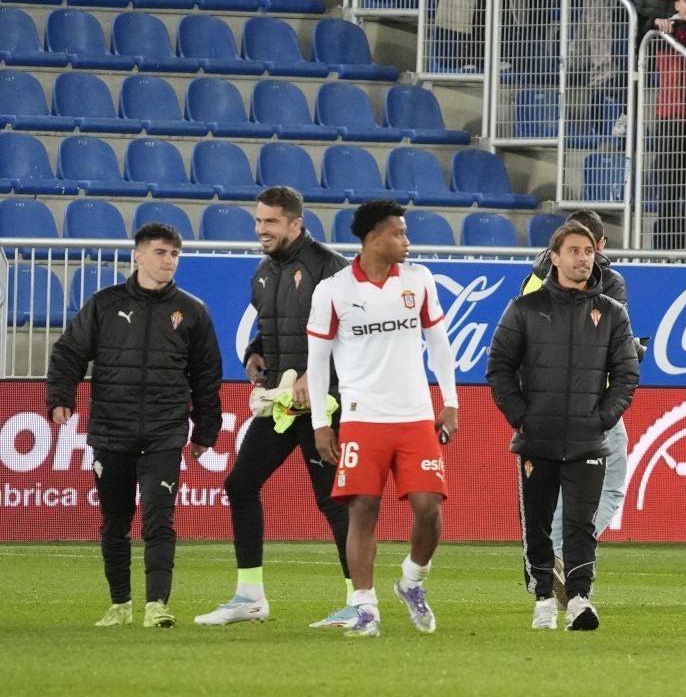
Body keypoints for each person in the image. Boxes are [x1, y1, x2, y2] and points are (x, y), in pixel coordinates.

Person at [47, 222, 223, 629]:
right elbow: (69, 352)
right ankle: (120, 603)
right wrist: (60, 397)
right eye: (161, 253)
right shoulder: (104, 304)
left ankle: (156, 604)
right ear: (138, 256)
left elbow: (206, 375)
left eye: (175, 254)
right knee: (115, 520)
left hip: (165, 431)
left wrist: (206, 431)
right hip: (111, 428)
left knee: (159, 519)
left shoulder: (193, 311)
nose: (169, 261)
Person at [194, 189, 352, 629]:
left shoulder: (331, 268)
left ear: (296, 224)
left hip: (325, 404)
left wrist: (314, 376)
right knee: (240, 484)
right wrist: (254, 353)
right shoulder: (263, 274)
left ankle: (359, 602)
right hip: (283, 405)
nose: (262, 230)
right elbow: (273, 331)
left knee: (335, 501)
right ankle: (249, 596)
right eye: (259, 222)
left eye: (271, 223)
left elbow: (354, 336)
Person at [306, 201, 462, 638]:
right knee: (362, 510)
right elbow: (317, 364)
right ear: (373, 238)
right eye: (399, 234)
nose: (407, 242)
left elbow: (440, 343)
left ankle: (411, 581)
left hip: (415, 416)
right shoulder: (333, 290)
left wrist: (450, 402)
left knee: (429, 508)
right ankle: (365, 608)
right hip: (361, 417)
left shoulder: (419, 280)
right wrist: (321, 422)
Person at [488, 221, 639, 632]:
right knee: (536, 523)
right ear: (554, 258)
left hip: (588, 438)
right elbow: (499, 367)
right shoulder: (524, 309)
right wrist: (522, 417)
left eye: (588, 251)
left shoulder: (611, 312)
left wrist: (602, 418)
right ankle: (542, 598)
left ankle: (578, 599)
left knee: (581, 524)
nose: (582, 258)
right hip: (537, 437)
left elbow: (626, 374)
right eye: (573, 251)